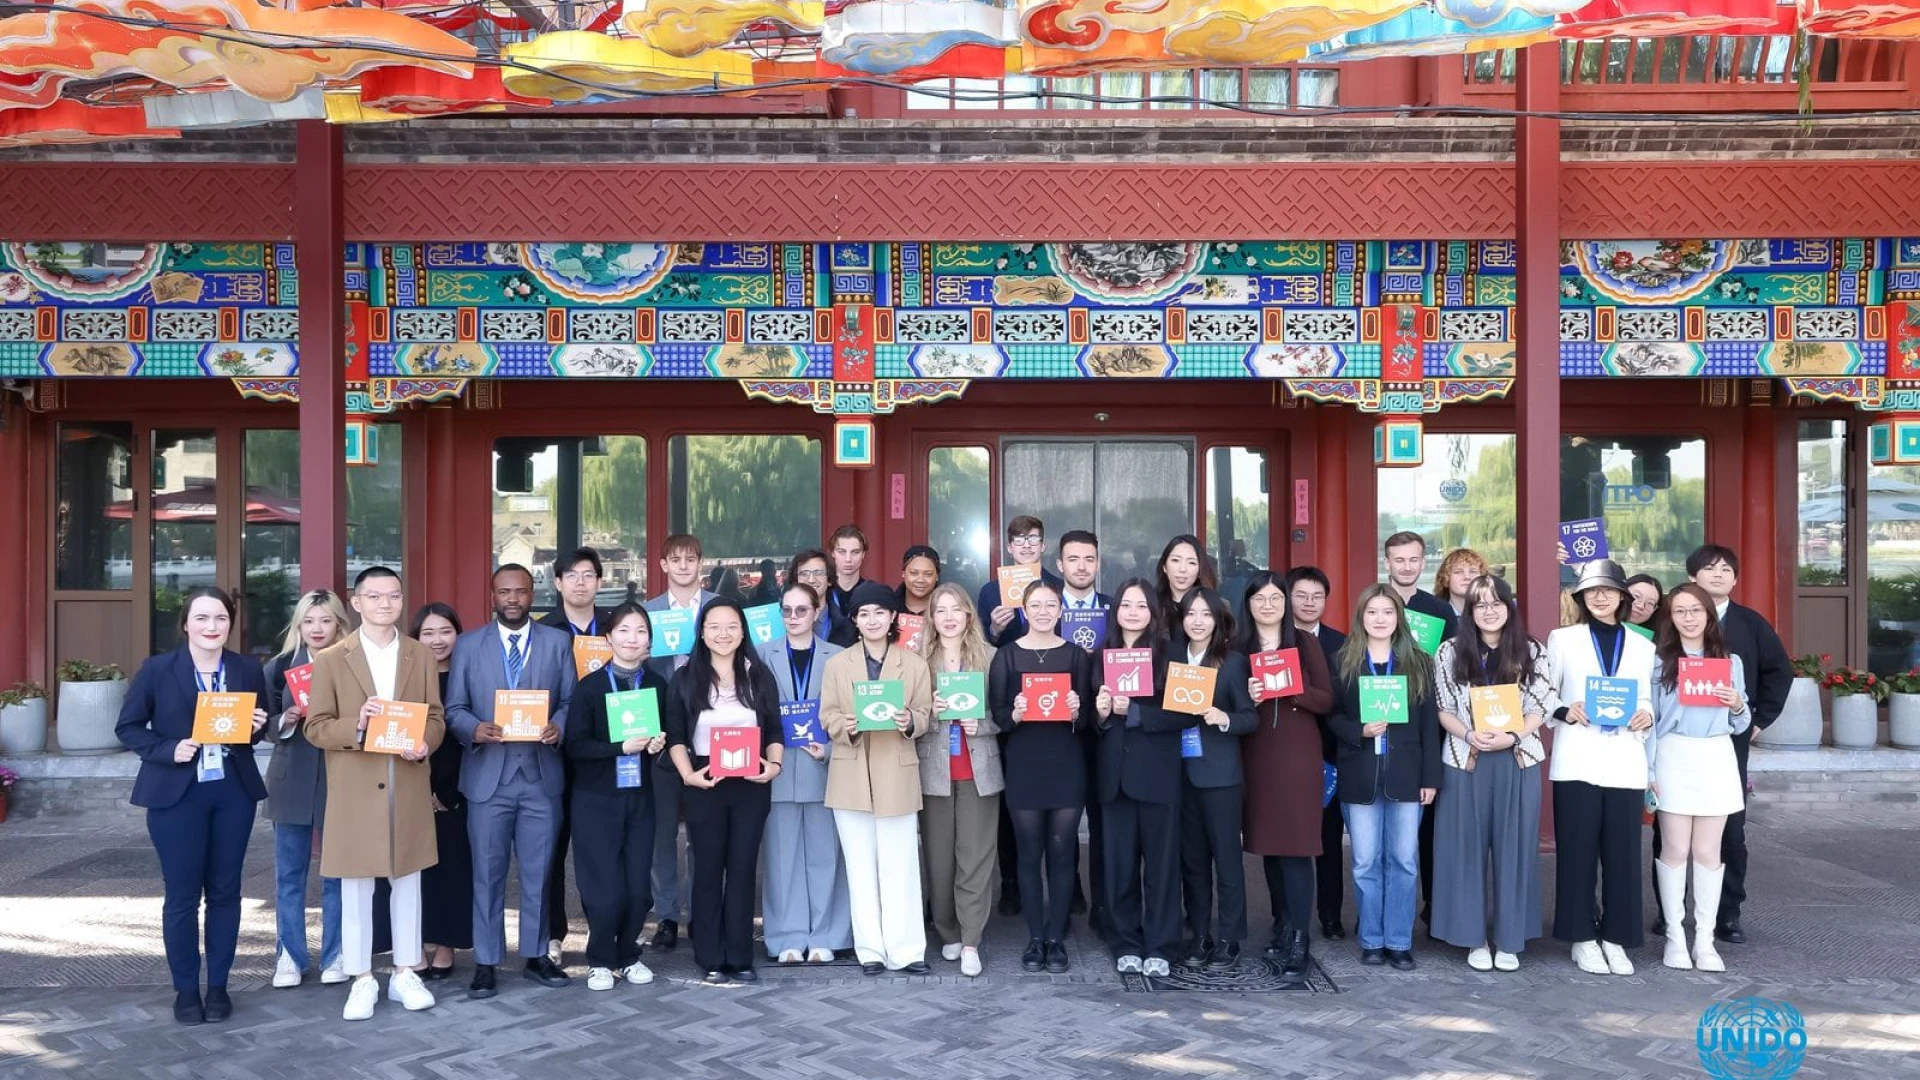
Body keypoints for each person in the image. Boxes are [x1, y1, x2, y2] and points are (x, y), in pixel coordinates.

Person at [116, 586, 271, 1024]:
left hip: (231, 794)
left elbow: (251, 729)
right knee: (182, 896)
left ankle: (218, 986)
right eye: (202, 618)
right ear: (185, 623)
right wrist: (168, 749)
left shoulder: (245, 669)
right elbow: (128, 727)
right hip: (177, 796)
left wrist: (257, 727)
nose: (211, 626)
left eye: (220, 618)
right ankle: (186, 989)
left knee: (226, 891)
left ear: (230, 624)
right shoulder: (159, 669)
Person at [304, 566, 445, 1021]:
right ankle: (361, 977)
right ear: (357, 602)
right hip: (355, 789)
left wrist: (427, 741)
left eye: (394, 596)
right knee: (356, 887)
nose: (386, 604)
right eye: (375, 596)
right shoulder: (331, 659)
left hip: (405, 782)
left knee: (409, 883)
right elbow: (316, 726)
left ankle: (405, 971)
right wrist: (358, 725)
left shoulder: (419, 655)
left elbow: (436, 717)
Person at [445, 564, 575, 999]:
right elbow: (453, 708)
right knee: (487, 872)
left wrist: (559, 724)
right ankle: (486, 961)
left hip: (541, 776)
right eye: (505, 592)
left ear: (532, 593)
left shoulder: (558, 643)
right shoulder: (468, 646)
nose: (514, 599)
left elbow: (573, 700)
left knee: (538, 873)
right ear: (492, 595)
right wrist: (472, 729)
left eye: (521, 591)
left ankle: (537, 954)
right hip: (488, 778)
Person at [1657, 545, 1789, 946]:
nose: (1718, 575)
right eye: (1709, 568)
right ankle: (1671, 918)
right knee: (1671, 840)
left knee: (1728, 835)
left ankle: (1725, 916)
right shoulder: (1665, 636)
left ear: (1735, 579)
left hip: (1725, 747)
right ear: (1691, 579)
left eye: (1726, 569)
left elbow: (1778, 672)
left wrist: (1754, 719)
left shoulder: (1748, 625)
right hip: (1674, 750)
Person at [1430, 575, 1552, 972]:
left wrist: (1513, 734)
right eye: (1479, 604)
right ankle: (1473, 938)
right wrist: (1468, 733)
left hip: (1516, 759)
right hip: (1466, 758)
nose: (1488, 610)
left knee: (1514, 851)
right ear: (1469, 610)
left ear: (1509, 606)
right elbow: (1443, 707)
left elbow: (1540, 704)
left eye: (1496, 602)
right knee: (1464, 850)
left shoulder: (1532, 650)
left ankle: (1509, 939)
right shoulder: (1449, 650)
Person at [1544, 558, 1656, 976]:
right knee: (1577, 852)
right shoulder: (1563, 639)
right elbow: (1544, 693)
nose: (1601, 597)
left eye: (1609, 590)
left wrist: (1646, 715)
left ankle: (1616, 937)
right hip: (1577, 757)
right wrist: (1563, 710)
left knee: (1623, 854)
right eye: (1592, 591)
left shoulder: (1643, 645)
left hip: (1626, 757)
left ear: (1623, 597)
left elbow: (1646, 698)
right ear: (1581, 597)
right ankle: (1581, 938)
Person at [665, 599, 786, 983]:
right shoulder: (685, 679)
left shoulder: (759, 676)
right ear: (701, 633)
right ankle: (710, 955)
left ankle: (739, 954)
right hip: (706, 782)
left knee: (742, 868)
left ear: (743, 631)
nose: (723, 634)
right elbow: (677, 736)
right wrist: (689, 776)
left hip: (751, 786)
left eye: (731, 626)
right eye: (714, 626)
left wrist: (775, 766)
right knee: (707, 868)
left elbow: (774, 730)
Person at [822, 582, 935, 974]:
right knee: (860, 866)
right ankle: (869, 949)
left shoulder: (914, 664)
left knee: (900, 865)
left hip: (896, 773)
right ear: (854, 620)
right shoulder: (838, 664)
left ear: (892, 619)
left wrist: (910, 721)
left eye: (879, 613)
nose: (872, 620)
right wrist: (846, 725)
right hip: (851, 774)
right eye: (863, 614)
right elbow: (827, 715)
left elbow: (925, 714)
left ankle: (906, 951)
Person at [1329, 585, 1440, 971]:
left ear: (1399, 618)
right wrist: (1358, 730)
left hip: (1408, 778)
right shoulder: (1343, 661)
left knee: (1405, 860)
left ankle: (1399, 940)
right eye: (1372, 611)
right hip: (1359, 775)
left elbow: (1430, 727)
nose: (1380, 618)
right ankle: (1372, 940)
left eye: (1387, 612)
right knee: (1364, 862)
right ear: (1361, 617)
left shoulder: (1420, 663)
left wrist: (1431, 778)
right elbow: (1330, 717)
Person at [989, 579, 1095, 973]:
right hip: (1024, 764)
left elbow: (1087, 721)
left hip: (1066, 764)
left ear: (1061, 611)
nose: (1044, 611)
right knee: (1029, 854)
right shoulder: (1007, 656)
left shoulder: (1076, 655)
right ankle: (1035, 938)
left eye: (1051, 604)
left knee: (1063, 853)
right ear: (1024, 609)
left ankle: (1056, 938)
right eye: (1036, 604)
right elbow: (997, 716)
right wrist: (1013, 713)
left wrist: (1075, 710)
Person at [1235, 572, 1337, 981]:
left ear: (1285, 603)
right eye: (1259, 598)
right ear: (1249, 604)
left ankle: (1300, 937)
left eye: (1275, 597)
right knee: (1270, 848)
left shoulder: (1305, 643)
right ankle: (1280, 925)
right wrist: (1250, 695)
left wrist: (1291, 689)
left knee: (1296, 849)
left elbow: (1327, 699)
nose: (1268, 605)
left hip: (1297, 756)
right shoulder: (1237, 648)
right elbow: (1225, 700)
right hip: (1256, 756)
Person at [564, 602, 668, 990]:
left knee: (638, 886)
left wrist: (659, 742)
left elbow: (671, 732)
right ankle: (600, 959)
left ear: (649, 641)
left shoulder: (656, 685)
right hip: (596, 799)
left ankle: (629, 954)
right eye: (624, 631)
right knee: (602, 887)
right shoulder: (590, 687)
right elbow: (575, 746)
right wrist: (620, 749)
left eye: (640, 631)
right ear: (608, 638)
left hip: (640, 798)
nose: (632, 638)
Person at [1651, 583, 1750, 973]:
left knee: (1709, 852)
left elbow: (1741, 723)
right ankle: (1675, 937)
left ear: (1709, 614)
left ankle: (1704, 941)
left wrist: (1738, 703)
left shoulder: (1730, 661)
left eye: (1696, 610)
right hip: (1673, 752)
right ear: (1670, 618)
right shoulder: (1658, 662)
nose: (1688, 618)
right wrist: (1648, 769)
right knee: (1674, 849)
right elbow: (1650, 721)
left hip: (1715, 754)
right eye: (1679, 611)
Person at [759, 581, 853, 966]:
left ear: (817, 613)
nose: (794, 617)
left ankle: (826, 935)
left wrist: (830, 748)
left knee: (825, 857)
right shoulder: (761, 655)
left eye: (802, 610)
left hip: (822, 767)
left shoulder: (840, 656)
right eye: (787, 610)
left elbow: (851, 713)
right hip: (777, 769)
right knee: (782, 861)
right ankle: (786, 938)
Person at [1094, 580, 1182, 977]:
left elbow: (1184, 713)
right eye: (1125, 605)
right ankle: (1125, 941)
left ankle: (1161, 944)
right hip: (1114, 777)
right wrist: (1098, 712)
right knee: (1119, 866)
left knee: (1162, 867)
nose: (1132, 612)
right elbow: (1087, 722)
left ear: (1153, 612)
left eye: (1141, 605)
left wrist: (1135, 713)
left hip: (1157, 776)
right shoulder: (1099, 657)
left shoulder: (1169, 654)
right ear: (1116, 611)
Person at [264, 588, 349, 990]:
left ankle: (336, 954)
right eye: (309, 621)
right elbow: (262, 726)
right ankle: (289, 957)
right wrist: (287, 718)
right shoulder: (279, 666)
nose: (317, 628)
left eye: (326, 620)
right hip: (291, 777)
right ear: (299, 624)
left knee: (337, 874)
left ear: (339, 625)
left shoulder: (353, 665)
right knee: (290, 874)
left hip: (340, 778)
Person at [1171, 588, 1259, 971]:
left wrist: (1222, 718)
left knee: (1226, 862)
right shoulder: (1171, 659)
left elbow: (1249, 717)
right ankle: (1200, 935)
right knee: (1191, 863)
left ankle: (1229, 939)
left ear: (1218, 621)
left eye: (1206, 614)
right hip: (1179, 774)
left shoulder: (1233, 663)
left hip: (1220, 777)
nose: (1198, 621)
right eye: (1191, 614)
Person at [919, 583, 1002, 977]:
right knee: (939, 859)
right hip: (933, 772)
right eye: (941, 610)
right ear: (931, 618)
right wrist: (930, 712)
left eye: (957, 609)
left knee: (976, 857)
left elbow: (1006, 715)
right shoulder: (917, 660)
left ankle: (971, 940)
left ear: (969, 614)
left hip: (978, 771)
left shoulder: (991, 657)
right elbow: (906, 719)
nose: (949, 617)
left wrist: (980, 724)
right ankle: (947, 930)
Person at [536, 546, 611, 968]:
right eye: (572, 575)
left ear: (600, 582)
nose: (580, 582)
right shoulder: (543, 631)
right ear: (558, 583)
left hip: (607, 751)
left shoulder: (618, 628)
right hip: (556, 753)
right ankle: (551, 933)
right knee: (550, 846)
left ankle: (603, 931)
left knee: (599, 848)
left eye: (588, 575)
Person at [644, 533, 715, 953]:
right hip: (661, 732)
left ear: (701, 564)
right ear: (663, 565)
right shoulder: (648, 612)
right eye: (676, 559)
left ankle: (703, 913)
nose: (684, 566)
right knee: (663, 831)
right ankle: (667, 915)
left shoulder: (719, 609)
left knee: (705, 831)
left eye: (691, 559)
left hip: (712, 729)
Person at [1286, 565, 1349, 942]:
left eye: (1317, 596)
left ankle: (1330, 915)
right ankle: (1286, 918)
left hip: (1329, 755)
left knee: (1328, 840)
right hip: (1285, 757)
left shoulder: (1342, 645)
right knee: (1286, 840)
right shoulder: (1274, 643)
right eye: (1301, 595)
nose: (1309, 603)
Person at [411, 603, 472, 980]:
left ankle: (446, 944)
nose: (437, 640)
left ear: (458, 635)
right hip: (412, 786)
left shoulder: (467, 676)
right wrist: (424, 788)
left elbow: (465, 739)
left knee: (452, 868)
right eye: (428, 633)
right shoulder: (407, 678)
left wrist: (448, 792)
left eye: (445, 631)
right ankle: (413, 944)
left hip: (458, 791)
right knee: (412, 872)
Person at [1057, 528, 1112, 934]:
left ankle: (1104, 903)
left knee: (1104, 820)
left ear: (1098, 564)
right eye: (1073, 559)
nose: (1081, 566)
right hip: (1057, 731)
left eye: (1088, 559)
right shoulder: (1041, 609)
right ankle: (1068, 892)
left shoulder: (1116, 610)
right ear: (1059, 565)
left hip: (1107, 732)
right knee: (1061, 820)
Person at [976, 515, 1065, 649]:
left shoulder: (1060, 588)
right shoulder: (990, 591)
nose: (1026, 546)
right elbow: (979, 641)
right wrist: (994, 630)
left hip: (1053, 663)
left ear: (1042, 546)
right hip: (1008, 665)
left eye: (1033, 539)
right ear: (1009, 548)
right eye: (1019, 540)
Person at [1382, 531, 1457, 637]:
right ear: (1387, 563)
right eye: (1399, 560)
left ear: (1422, 563)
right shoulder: (1372, 607)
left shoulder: (1441, 610)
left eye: (1413, 560)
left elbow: (1451, 651)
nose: (1407, 567)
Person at [1154, 534, 1218, 631]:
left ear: (1200, 569)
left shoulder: (1217, 606)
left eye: (1191, 562)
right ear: (1164, 566)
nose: (1182, 569)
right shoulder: (1150, 605)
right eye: (1175, 560)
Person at [824, 525, 873, 648]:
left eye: (855, 552)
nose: (848, 559)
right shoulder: (823, 591)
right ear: (832, 553)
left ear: (863, 554)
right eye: (842, 552)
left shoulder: (871, 593)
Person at [786, 548, 833, 638]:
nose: (811, 580)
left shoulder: (847, 625)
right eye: (804, 574)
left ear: (829, 580)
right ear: (796, 581)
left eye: (818, 573)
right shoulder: (780, 620)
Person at [1432, 548, 1490, 621]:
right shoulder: (1433, 615)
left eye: (1473, 571)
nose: (1467, 577)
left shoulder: (1494, 614)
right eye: (1458, 572)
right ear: (1446, 578)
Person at [897, 545, 942, 618]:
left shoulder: (947, 610)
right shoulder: (888, 606)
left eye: (928, 574)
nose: (920, 580)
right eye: (913, 573)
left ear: (937, 576)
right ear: (903, 573)